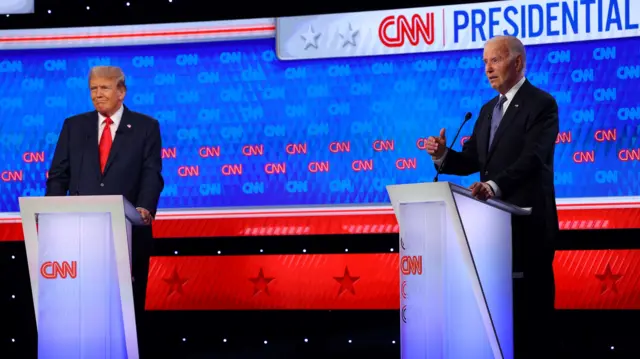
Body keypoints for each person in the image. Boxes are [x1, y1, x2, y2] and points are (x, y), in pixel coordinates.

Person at [426, 36, 559, 358]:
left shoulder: (541, 104)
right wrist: (444, 156)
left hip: (528, 227)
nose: (487, 68)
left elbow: (534, 158)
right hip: (490, 234)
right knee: (498, 321)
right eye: (485, 62)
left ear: (517, 63)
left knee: (531, 320)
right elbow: (472, 160)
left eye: (495, 60)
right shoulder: (488, 110)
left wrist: (493, 186)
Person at [45, 65, 164, 357]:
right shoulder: (74, 126)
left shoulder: (146, 127)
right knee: (82, 307)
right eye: (93, 89)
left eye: (105, 88)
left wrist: (145, 207)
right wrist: (52, 214)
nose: (98, 94)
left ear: (121, 92)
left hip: (128, 232)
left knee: (128, 310)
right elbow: (59, 175)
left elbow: (152, 173)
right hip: (80, 235)